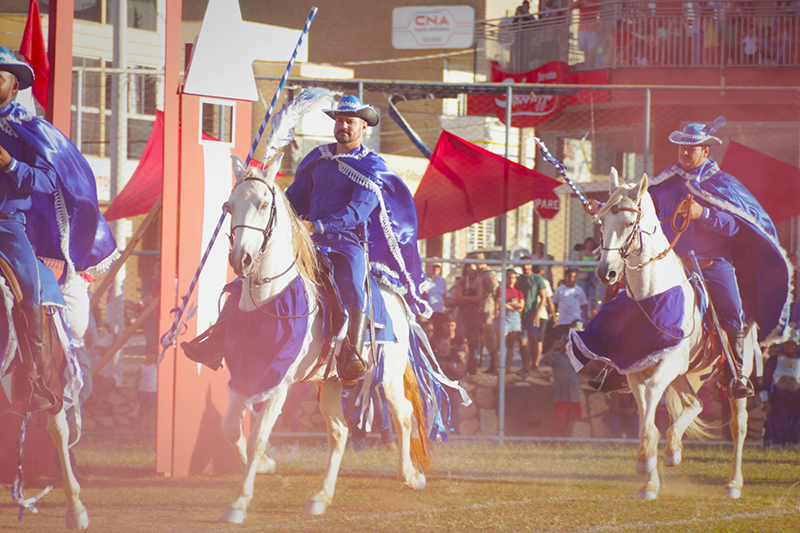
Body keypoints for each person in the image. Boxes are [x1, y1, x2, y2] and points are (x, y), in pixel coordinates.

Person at [585, 117, 791, 399]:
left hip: (712, 264)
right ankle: (617, 367)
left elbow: (735, 227)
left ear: (705, 151)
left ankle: (736, 375)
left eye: (691, 148)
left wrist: (702, 213)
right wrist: (602, 207)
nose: (684, 152)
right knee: (628, 300)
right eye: (682, 147)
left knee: (732, 311)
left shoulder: (723, 184)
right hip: (670, 263)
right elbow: (634, 208)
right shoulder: (666, 183)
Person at [0, 48, 117, 413]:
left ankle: (38, 376)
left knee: (31, 285)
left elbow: (49, 180)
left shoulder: (29, 130)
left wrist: (11, 165)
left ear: (14, 85)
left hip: (7, 225)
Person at [285, 95, 430, 385]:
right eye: (339, 120)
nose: (343, 126)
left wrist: (318, 225)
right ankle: (220, 334)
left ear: (363, 127)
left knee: (352, 279)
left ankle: (352, 353)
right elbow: (293, 198)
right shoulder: (318, 159)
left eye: (350, 121)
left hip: (346, 242)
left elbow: (357, 212)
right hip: (307, 239)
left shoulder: (371, 167)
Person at [760, 336, 800, 448]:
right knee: (776, 431)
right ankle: (775, 448)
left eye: (792, 344)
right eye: (787, 343)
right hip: (778, 402)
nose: (789, 346)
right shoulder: (773, 361)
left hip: (796, 403)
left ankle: (793, 447)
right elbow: (765, 383)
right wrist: (765, 401)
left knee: (795, 431)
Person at [517, 260, 548, 373]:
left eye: (528, 264)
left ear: (531, 265)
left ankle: (534, 364)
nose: (526, 267)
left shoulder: (537, 279)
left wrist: (537, 313)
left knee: (533, 338)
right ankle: (526, 365)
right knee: (522, 342)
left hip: (532, 314)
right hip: (520, 314)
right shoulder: (519, 279)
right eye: (523, 264)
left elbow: (543, 297)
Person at [493, 268, 525, 374]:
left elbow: (521, 307)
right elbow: (500, 303)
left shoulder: (519, 292)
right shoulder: (501, 291)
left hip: (514, 320)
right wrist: (513, 305)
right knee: (501, 344)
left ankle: (507, 368)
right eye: (509, 278)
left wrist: (509, 305)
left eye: (513, 278)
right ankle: (498, 368)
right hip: (503, 319)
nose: (511, 280)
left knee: (511, 345)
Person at [135, 351, 158, 433]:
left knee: (151, 413)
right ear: (146, 355)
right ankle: (142, 432)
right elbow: (137, 381)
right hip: (143, 392)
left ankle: (150, 433)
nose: (152, 356)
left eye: (154, 354)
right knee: (142, 413)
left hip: (153, 393)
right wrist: (135, 395)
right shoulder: (141, 367)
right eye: (150, 354)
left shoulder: (157, 367)